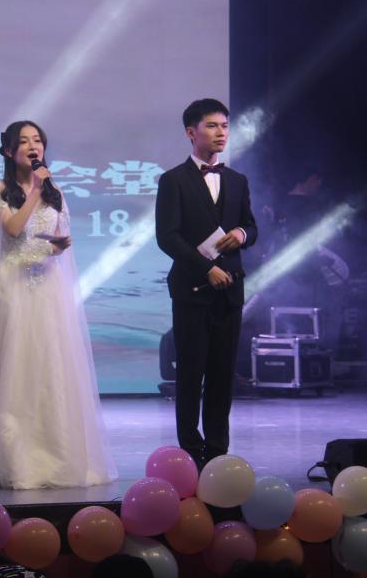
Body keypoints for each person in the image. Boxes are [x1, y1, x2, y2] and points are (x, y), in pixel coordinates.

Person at [0, 120, 117, 489]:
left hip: (47, 288)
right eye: (23, 141)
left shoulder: (57, 193)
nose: (32, 146)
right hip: (13, 289)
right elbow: (12, 229)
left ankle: (54, 455)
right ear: (9, 151)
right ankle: (15, 460)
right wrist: (36, 189)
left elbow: (59, 237)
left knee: (49, 367)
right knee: (15, 368)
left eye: (37, 140)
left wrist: (57, 245)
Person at [155, 98, 257, 469]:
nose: (220, 133)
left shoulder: (237, 180)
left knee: (222, 375)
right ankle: (190, 451)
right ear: (191, 132)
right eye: (212, 126)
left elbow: (251, 226)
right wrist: (205, 268)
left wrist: (241, 234)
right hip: (192, 290)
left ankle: (217, 453)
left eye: (225, 126)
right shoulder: (173, 180)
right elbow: (168, 236)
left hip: (230, 291)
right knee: (190, 373)